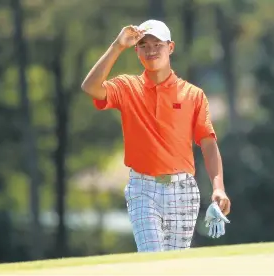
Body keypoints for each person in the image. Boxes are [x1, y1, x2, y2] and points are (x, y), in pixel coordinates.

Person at [81, 19, 231, 252]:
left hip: (183, 190)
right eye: (143, 44)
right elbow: (90, 87)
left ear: (170, 47)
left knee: (173, 266)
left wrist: (218, 187)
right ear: (136, 49)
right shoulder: (126, 87)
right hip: (142, 189)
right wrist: (117, 46)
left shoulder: (193, 95)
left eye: (157, 44)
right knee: (151, 257)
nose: (150, 50)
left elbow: (208, 144)